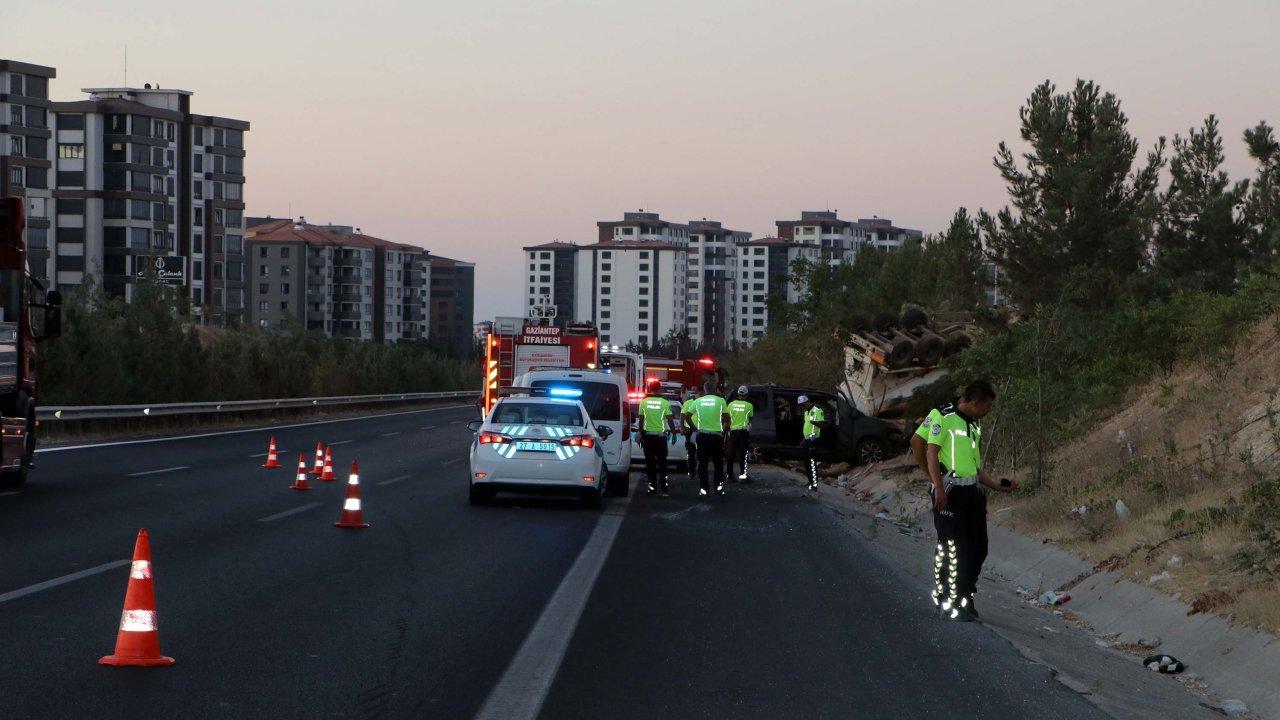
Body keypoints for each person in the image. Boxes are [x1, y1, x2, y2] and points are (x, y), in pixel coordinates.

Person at [925, 380, 1018, 622]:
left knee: (978, 547)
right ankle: (948, 598)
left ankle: (965, 593)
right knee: (951, 548)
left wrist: (997, 486)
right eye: (987, 406)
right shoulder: (944, 417)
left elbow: (974, 467)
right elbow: (930, 452)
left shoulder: (974, 424)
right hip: (950, 492)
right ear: (975, 403)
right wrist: (938, 488)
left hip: (971, 493)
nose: (989, 411)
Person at [912, 397, 957, 609]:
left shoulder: (968, 419)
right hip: (944, 486)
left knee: (952, 541)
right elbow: (917, 442)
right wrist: (932, 477)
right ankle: (943, 588)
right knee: (946, 541)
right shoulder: (942, 414)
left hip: (962, 488)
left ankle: (952, 589)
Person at [683, 380, 730, 496]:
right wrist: (723, 427)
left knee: (702, 464)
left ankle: (704, 489)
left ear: (704, 390)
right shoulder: (721, 401)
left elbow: (687, 416)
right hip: (716, 436)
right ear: (714, 389)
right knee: (718, 463)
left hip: (702, 436)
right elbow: (727, 418)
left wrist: (694, 428)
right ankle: (718, 488)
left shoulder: (698, 401)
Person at [638, 379, 676, 496]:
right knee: (662, 463)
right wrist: (674, 433)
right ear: (659, 388)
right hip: (661, 438)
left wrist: (640, 432)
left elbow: (641, 420)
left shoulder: (643, 402)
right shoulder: (665, 402)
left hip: (648, 437)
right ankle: (664, 488)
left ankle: (652, 488)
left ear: (649, 388)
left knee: (650, 464)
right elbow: (670, 420)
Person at [798, 395, 829, 491]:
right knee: (806, 462)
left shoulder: (817, 410)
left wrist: (814, 422)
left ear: (807, 402)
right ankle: (810, 482)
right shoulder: (806, 411)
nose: (802, 407)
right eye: (801, 406)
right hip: (807, 440)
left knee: (812, 462)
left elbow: (823, 425)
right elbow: (807, 426)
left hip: (813, 440)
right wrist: (803, 439)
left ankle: (814, 485)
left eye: (803, 405)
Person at [726, 386, 754, 481]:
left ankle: (730, 476)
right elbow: (750, 419)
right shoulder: (749, 405)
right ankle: (742, 476)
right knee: (742, 455)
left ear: (738, 394)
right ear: (746, 394)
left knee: (731, 455)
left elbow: (727, 418)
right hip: (743, 432)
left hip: (733, 432)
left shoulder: (731, 405)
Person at [680, 389, 698, 478]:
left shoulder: (704, 402)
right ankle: (691, 472)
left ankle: (697, 470)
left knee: (700, 452)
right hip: (690, 430)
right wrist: (682, 427)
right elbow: (682, 415)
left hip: (701, 430)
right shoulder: (688, 403)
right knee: (691, 452)